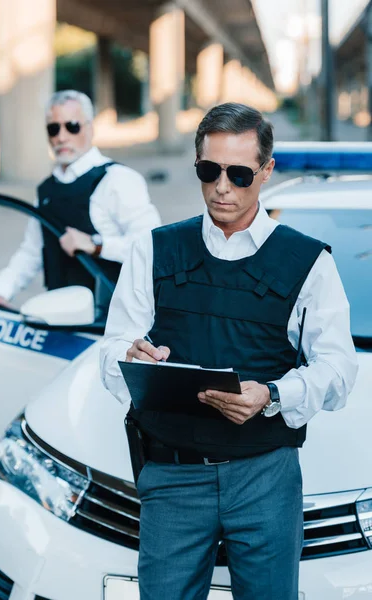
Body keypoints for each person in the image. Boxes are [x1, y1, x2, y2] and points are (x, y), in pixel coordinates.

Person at [100, 103, 358, 600]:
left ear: (266, 171)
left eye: (240, 174)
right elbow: (113, 350)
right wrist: (130, 359)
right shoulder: (152, 250)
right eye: (209, 170)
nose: (223, 187)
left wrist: (275, 394)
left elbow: (339, 369)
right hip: (171, 479)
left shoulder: (308, 262)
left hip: (266, 478)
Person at [0, 90, 161, 321]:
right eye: (53, 128)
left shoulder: (118, 179)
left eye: (72, 126)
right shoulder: (47, 190)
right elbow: (31, 252)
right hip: (59, 321)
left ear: (90, 128)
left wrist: (97, 245)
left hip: (112, 323)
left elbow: (151, 246)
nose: (61, 137)